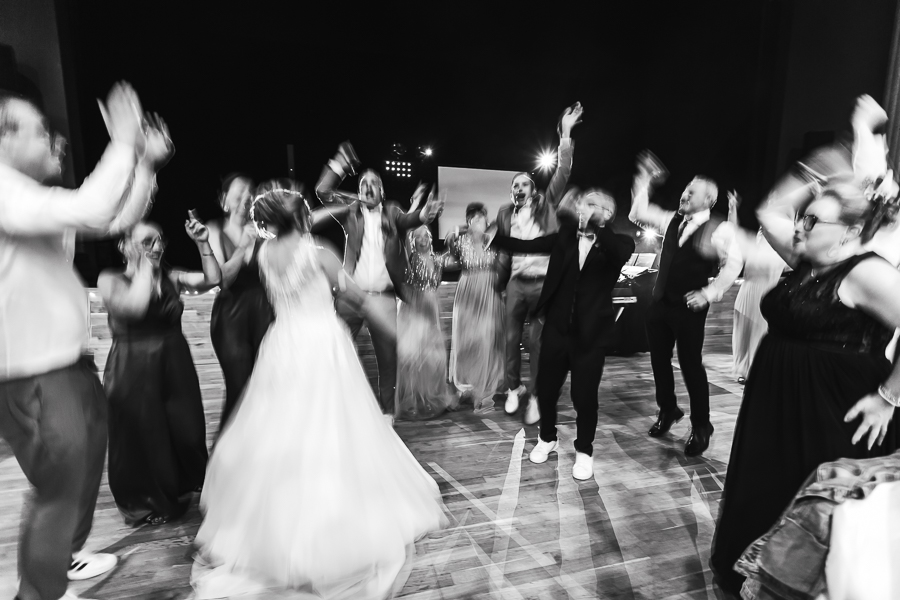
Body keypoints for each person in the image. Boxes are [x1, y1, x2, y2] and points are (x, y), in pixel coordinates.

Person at [191, 184, 447, 599]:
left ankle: (277, 525)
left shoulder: (263, 255)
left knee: (281, 432)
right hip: (322, 346)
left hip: (282, 345)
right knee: (331, 430)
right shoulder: (321, 254)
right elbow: (360, 300)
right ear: (303, 218)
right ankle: (329, 526)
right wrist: (402, 334)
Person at [710, 95, 900, 595]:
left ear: (852, 232)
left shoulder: (866, 273)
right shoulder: (808, 265)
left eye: (813, 221)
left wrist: (888, 397)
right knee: (769, 491)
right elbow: (772, 211)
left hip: (828, 409)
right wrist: (813, 174)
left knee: (813, 511)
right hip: (778, 403)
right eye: (805, 217)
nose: (800, 225)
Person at [0, 83, 154, 600]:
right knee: (60, 486)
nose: (52, 140)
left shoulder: (30, 205)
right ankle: (38, 593)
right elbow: (93, 207)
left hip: (69, 365)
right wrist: (125, 141)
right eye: (39, 131)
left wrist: (145, 164)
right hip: (33, 373)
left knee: (85, 471)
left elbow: (112, 218)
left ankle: (62, 557)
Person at [487, 189, 635, 479]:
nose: (585, 207)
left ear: (608, 214)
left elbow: (617, 252)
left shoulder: (618, 243)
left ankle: (584, 450)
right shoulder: (565, 236)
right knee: (547, 390)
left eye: (594, 205)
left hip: (590, 337)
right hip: (556, 329)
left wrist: (594, 227)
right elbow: (527, 244)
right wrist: (491, 238)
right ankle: (547, 438)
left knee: (584, 397)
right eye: (584, 203)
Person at [98, 217, 221, 526]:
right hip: (132, 366)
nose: (157, 246)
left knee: (189, 431)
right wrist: (143, 269)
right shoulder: (110, 279)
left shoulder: (173, 277)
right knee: (144, 438)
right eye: (147, 242)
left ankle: (186, 480)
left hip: (174, 361)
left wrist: (203, 243)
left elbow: (213, 278)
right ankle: (146, 500)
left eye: (159, 240)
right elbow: (135, 308)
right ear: (125, 247)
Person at [315, 143, 443, 415]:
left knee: (388, 360)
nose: (368, 186)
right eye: (363, 182)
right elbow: (323, 192)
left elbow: (411, 220)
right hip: (350, 297)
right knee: (337, 354)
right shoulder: (350, 212)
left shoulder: (392, 212)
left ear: (382, 192)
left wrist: (424, 214)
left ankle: (387, 416)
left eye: (374, 183)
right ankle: (336, 411)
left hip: (384, 299)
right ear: (359, 189)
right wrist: (340, 163)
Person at [629, 153, 742, 456]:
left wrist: (708, 292)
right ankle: (668, 410)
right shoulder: (671, 219)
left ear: (709, 200)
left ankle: (702, 425)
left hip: (689, 307)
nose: (684, 193)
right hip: (660, 304)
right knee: (658, 361)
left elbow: (735, 264)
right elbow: (637, 212)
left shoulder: (719, 229)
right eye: (685, 188)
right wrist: (644, 180)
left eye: (692, 191)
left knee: (691, 366)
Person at [496, 103, 583, 425]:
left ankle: (535, 396)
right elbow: (504, 251)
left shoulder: (547, 205)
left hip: (543, 284)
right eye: (514, 185)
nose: (518, 188)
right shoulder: (505, 214)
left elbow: (563, 172)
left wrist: (565, 134)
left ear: (534, 191)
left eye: (524, 184)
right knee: (509, 340)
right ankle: (513, 388)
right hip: (516, 284)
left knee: (537, 345)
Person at [205, 173, 275, 434]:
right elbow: (223, 280)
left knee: (266, 388)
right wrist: (244, 245)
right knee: (240, 388)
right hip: (230, 319)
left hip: (265, 315)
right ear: (225, 201)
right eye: (239, 193)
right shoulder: (214, 230)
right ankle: (226, 463)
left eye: (250, 193)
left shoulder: (265, 232)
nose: (246, 197)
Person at [446, 202, 505, 411]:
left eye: (481, 217)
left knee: (487, 339)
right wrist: (453, 242)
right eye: (474, 218)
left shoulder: (493, 240)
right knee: (466, 341)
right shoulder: (459, 240)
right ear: (468, 221)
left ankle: (485, 389)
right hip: (468, 290)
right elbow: (451, 262)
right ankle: (465, 387)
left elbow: (500, 223)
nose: (479, 221)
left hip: (488, 291)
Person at [395, 224, 457, 420]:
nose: (424, 239)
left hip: (432, 309)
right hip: (413, 308)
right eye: (419, 236)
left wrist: (452, 242)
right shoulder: (410, 259)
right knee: (413, 355)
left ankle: (431, 395)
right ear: (413, 241)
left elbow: (454, 259)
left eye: (427, 236)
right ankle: (414, 400)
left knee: (433, 355)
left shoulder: (436, 260)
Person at [727, 192, 785, 383]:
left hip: (766, 291)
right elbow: (732, 232)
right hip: (747, 289)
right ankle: (744, 370)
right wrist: (733, 207)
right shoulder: (757, 237)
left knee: (759, 335)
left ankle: (756, 371)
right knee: (742, 333)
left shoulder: (783, 238)